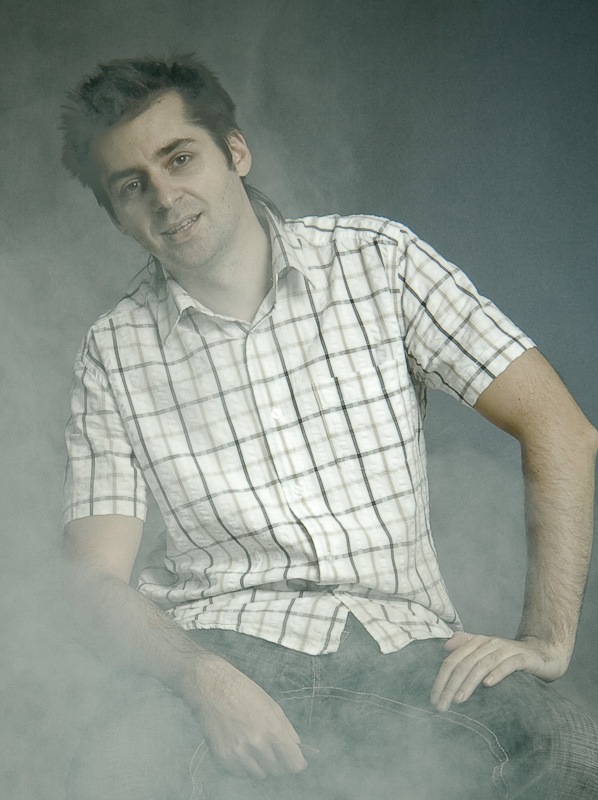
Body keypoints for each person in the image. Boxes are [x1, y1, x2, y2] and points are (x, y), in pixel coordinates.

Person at [60, 55, 598, 799]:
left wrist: (546, 639)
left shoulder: (379, 261)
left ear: (235, 151)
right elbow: (92, 580)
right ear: (115, 213)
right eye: (130, 185)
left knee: (571, 752)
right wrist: (200, 675)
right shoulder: (113, 351)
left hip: (405, 651)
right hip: (221, 647)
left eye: (179, 158)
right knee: (116, 767)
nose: (164, 196)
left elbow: (560, 428)